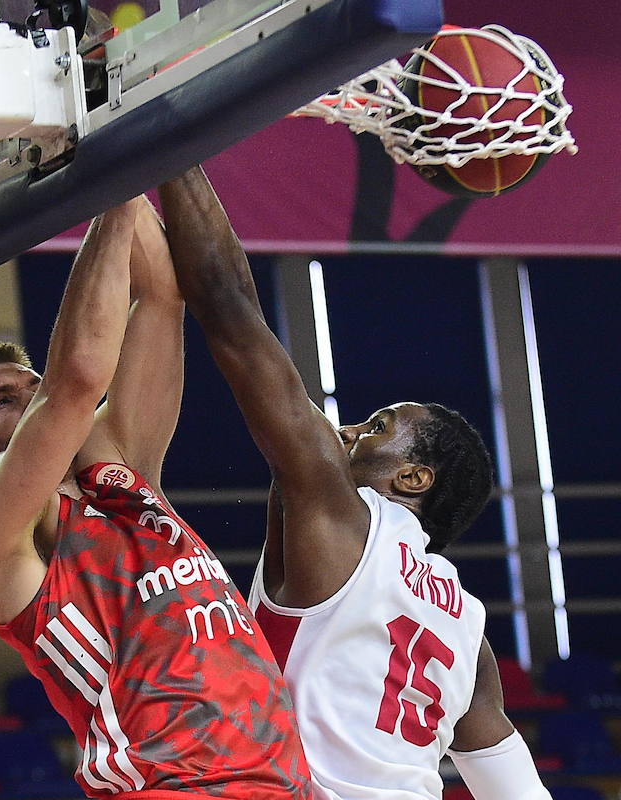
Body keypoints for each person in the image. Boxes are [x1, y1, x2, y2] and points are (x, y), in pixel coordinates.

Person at [160, 166, 552, 800]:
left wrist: (166, 148)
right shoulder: (468, 631)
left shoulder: (343, 521)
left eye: (375, 428)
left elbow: (229, 306)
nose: (345, 431)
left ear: (413, 477)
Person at [0, 194, 314, 799]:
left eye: (31, 388)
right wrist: (107, 179)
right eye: (4, 402)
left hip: (281, 785)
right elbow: (75, 381)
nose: (31, 402)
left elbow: (160, 294)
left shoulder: (118, 470)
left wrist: (128, 173)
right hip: (171, 787)